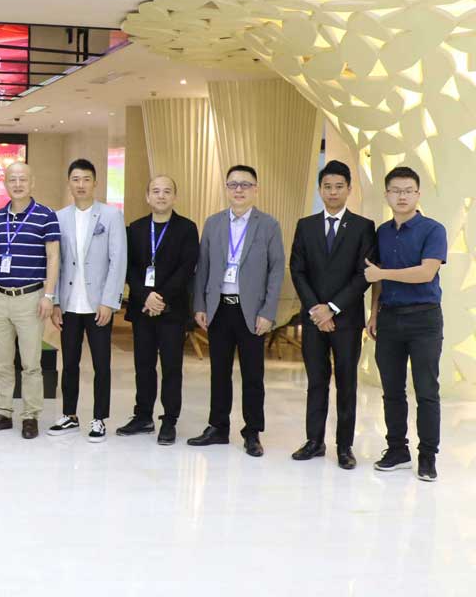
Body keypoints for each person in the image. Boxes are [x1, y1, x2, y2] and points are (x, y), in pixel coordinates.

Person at [189, 165, 284, 457]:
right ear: (226, 189)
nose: (239, 190)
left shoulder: (268, 225)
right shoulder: (213, 223)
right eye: (233, 184)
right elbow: (203, 267)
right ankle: (218, 427)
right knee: (219, 372)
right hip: (219, 309)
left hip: (251, 311)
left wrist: (268, 312)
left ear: (256, 189)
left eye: (245, 184)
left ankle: (252, 432)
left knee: (253, 375)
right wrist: (200, 305)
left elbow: (276, 270)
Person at [288, 160, 376, 469]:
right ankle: (314, 441)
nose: (333, 192)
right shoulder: (306, 225)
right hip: (314, 320)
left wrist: (333, 308)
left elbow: (363, 275)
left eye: (339, 186)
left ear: (349, 189)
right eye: (327, 187)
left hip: (346, 320)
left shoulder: (363, 227)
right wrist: (317, 309)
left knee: (346, 383)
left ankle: (344, 446)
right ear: (320, 190)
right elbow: (297, 270)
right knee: (316, 381)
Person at [365, 166, 446, 482]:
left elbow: (426, 272)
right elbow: (376, 278)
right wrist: (374, 313)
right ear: (386, 195)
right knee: (392, 389)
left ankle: (427, 456)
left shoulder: (433, 229)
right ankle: (397, 450)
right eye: (396, 190)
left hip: (424, 319)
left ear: (418, 194)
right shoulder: (382, 232)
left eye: (408, 190)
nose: (402, 196)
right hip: (389, 318)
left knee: (426, 390)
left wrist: (382, 274)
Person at [0, 162, 60, 440]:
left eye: (22, 179)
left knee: (30, 364)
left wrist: (49, 295)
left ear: (32, 182)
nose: (17, 184)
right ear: (5, 183)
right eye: (12, 179)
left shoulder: (46, 215)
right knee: (1, 361)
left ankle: (30, 416)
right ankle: (3, 412)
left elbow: (53, 257)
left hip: (30, 298)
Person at [50, 159, 127, 443]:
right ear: (69, 183)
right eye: (76, 179)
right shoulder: (59, 217)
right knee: (69, 363)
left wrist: (109, 302)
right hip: (69, 305)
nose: (80, 184)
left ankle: (99, 419)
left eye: (86, 179)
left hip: (98, 306)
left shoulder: (111, 215)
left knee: (101, 364)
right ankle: (69, 415)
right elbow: (55, 263)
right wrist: (55, 301)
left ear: (95, 183)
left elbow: (118, 260)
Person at [119, 175, 199, 445]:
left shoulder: (187, 228)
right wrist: (146, 296)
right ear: (147, 196)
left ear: (174, 197)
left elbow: (186, 268)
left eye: (167, 191)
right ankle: (143, 416)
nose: (161, 196)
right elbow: (129, 268)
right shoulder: (136, 228)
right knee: (143, 365)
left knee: (171, 367)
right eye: (156, 191)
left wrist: (160, 297)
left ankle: (169, 420)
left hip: (172, 310)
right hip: (142, 308)